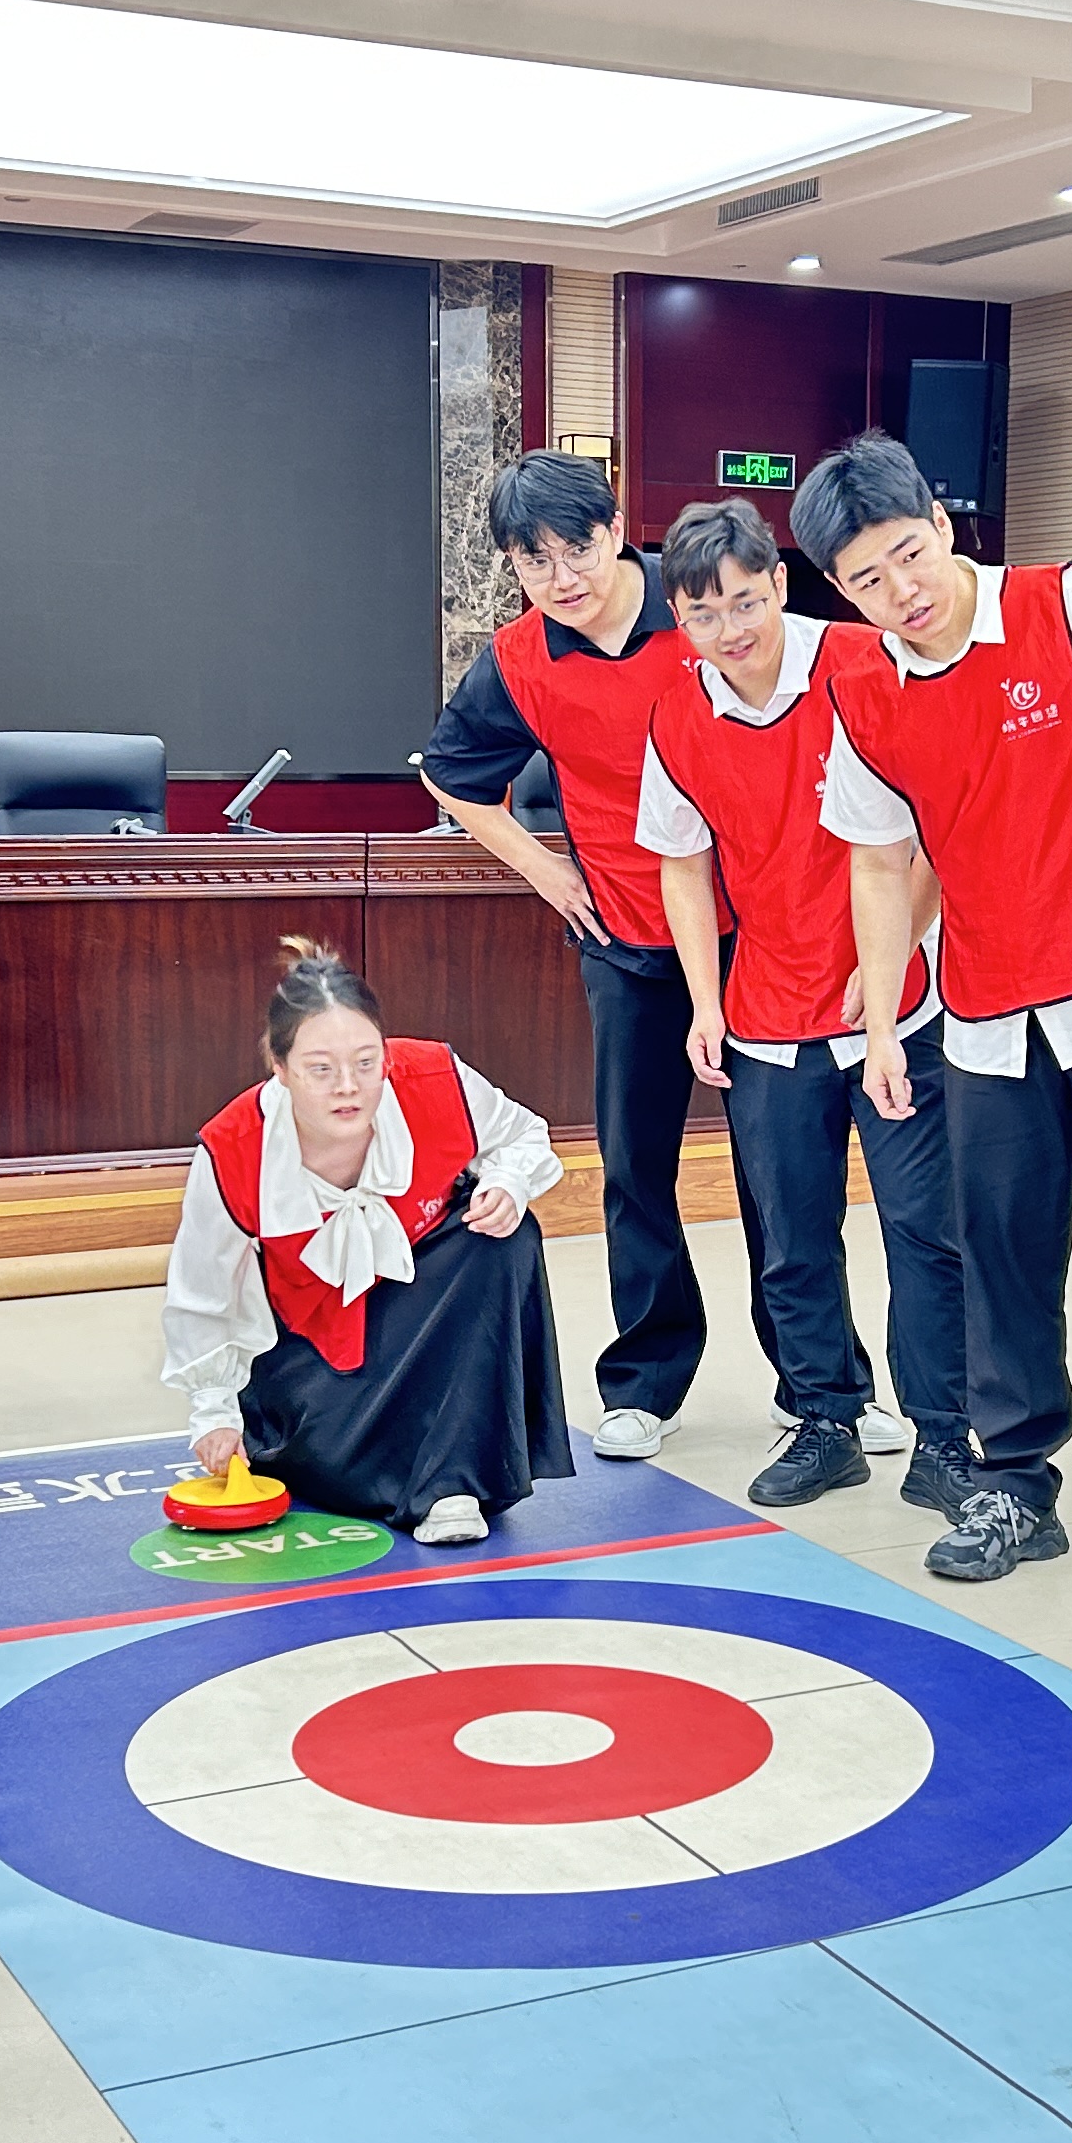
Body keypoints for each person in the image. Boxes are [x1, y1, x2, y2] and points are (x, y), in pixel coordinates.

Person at [796, 433, 1072, 1585]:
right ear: (838, 591)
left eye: (909, 555)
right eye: (866, 581)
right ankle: (1014, 1485)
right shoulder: (862, 686)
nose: (900, 592)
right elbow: (877, 861)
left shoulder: (1070, 608)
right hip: (985, 1013)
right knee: (1003, 1258)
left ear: (944, 522)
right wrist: (876, 1025)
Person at [635, 497, 971, 1515]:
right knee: (792, 1234)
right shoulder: (678, 712)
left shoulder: (868, 667)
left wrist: (896, 950)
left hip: (896, 1009)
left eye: (746, 600)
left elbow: (939, 830)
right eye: (705, 614)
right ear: (680, 623)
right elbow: (683, 870)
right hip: (769, 1012)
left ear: (781, 584)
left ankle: (947, 1436)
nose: (731, 629)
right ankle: (824, 1416)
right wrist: (704, 1002)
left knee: (925, 1229)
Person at [419, 451, 746, 1464]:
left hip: (759, 931)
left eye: (580, 546)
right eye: (534, 559)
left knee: (782, 1172)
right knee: (635, 1168)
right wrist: (548, 872)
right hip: (625, 940)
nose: (564, 575)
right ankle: (646, 1382)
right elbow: (451, 776)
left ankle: (822, 1388)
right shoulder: (518, 658)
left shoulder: (698, 614)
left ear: (618, 527)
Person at [163, 937, 573, 1541]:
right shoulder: (235, 1147)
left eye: (365, 1062)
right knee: (321, 1464)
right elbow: (204, 1292)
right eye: (320, 1070)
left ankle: (452, 1482)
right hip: (308, 1348)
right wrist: (213, 1410)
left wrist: (509, 1183)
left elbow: (524, 1137)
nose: (348, 1087)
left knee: (502, 1237)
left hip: (424, 1315)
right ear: (279, 1069)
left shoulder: (435, 1077)